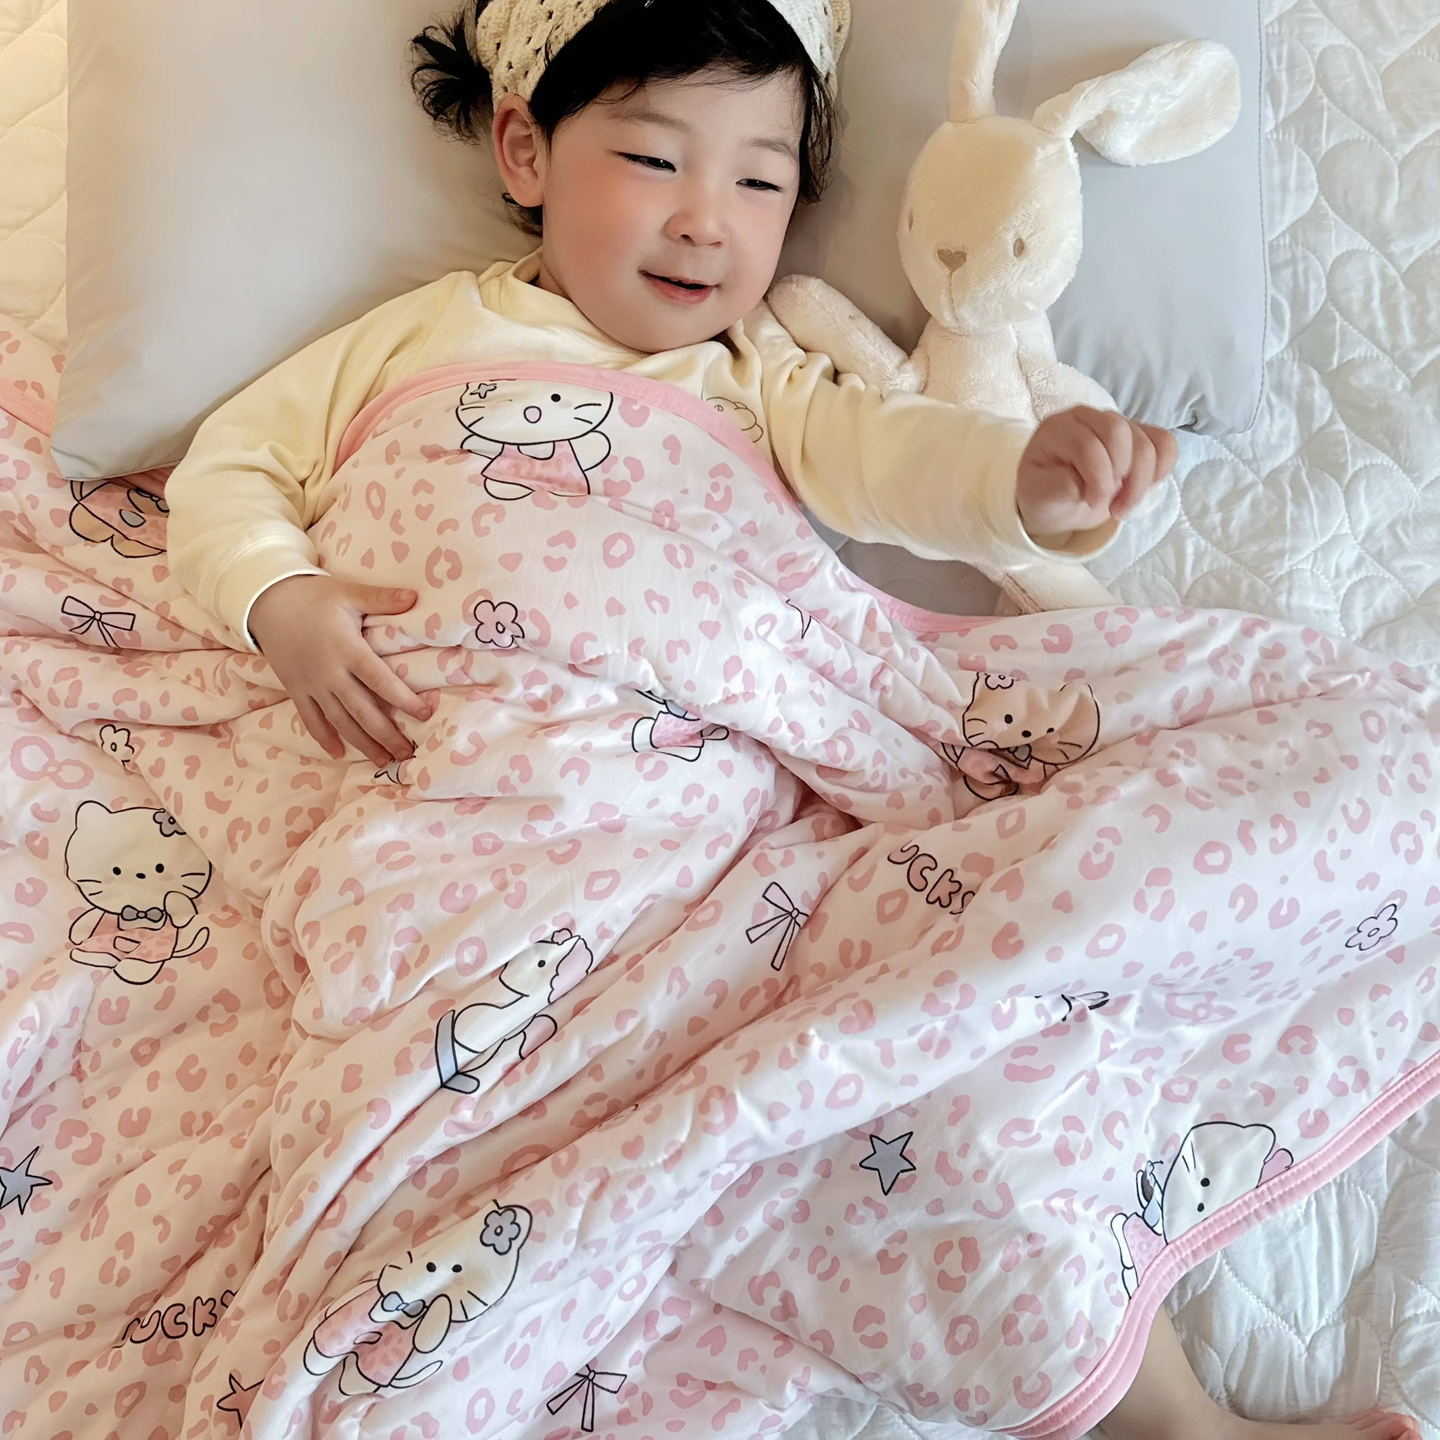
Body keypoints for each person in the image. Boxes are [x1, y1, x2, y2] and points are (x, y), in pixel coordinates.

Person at [161, 5, 1416, 1435]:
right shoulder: (410, 339)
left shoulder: (755, 377)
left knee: (965, 1070)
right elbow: (228, 471)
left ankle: (1176, 1423)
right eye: (654, 159)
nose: (707, 220)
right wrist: (282, 603)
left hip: (717, 844)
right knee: (441, 1152)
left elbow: (901, 462)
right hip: (481, 834)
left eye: (760, 181)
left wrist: (1027, 481)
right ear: (524, 151)